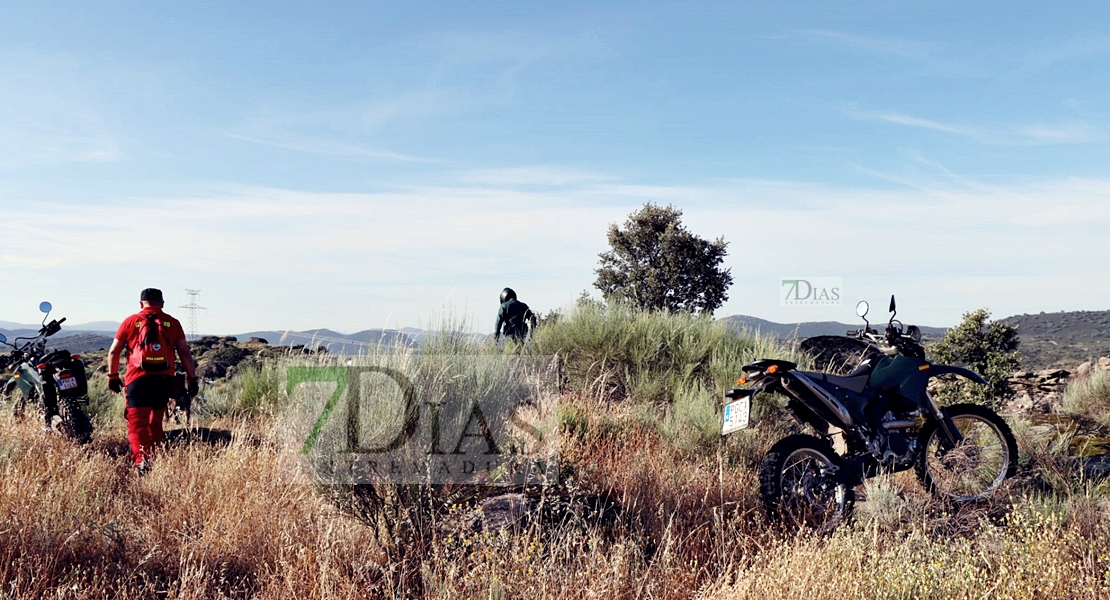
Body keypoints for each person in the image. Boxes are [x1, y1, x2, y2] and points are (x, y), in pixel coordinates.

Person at [106, 288, 198, 472]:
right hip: (163, 380)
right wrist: (192, 378)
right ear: (162, 304)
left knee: (137, 423)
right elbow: (185, 354)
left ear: (141, 303)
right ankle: (154, 458)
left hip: (137, 380)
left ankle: (141, 460)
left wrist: (113, 375)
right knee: (155, 421)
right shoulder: (172, 323)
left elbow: (113, 351)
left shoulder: (130, 321)